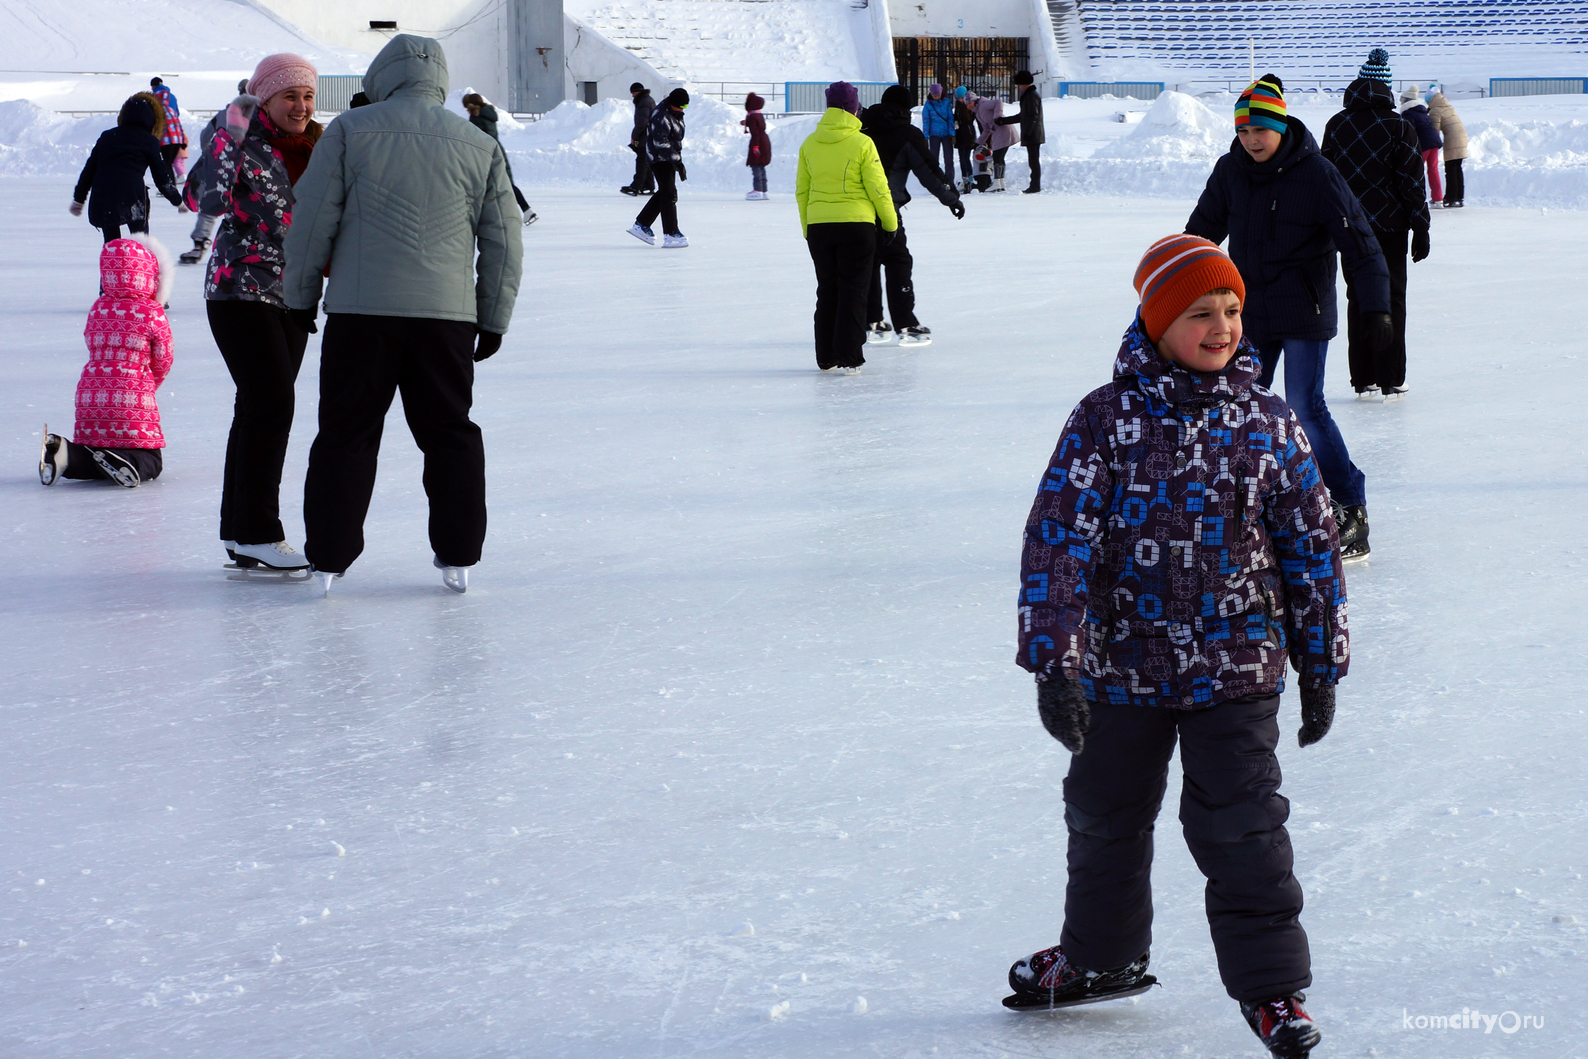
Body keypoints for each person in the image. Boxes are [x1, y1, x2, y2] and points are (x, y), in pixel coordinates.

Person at [1007, 234, 1346, 1059]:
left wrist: (1321, 660)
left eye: (1231, 309)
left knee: (1243, 827)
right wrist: (1059, 660)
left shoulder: (1267, 419)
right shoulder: (1104, 419)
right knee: (1103, 817)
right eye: (1201, 312)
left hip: (1237, 671)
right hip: (1124, 667)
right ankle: (1100, 957)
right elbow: (1059, 542)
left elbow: (1310, 543)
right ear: (1157, 323)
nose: (1224, 325)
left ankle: (1274, 992)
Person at [284, 34, 523, 595]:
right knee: (449, 434)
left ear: (381, 75)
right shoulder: (477, 142)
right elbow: (505, 239)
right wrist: (492, 316)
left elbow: (314, 219)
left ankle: (329, 558)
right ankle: (459, 554)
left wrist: (299, 298)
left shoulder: (348, 130)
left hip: (360, 316)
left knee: (346, 434)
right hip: (445, 318)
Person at [1185, 74, 1390, 561]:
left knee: (1303, 406)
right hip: (1250, 313)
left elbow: (1359, 241)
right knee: (1236, 406)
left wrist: (1377, 307)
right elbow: (1199, 237)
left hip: (1303, 310)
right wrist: (1172, 286)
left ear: (1280, 127)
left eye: (1260, 130)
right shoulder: (1231, 170)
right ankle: (1242, 506)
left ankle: (1350, 508)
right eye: (1242, 132)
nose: (1251, 140)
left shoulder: (1316, 173)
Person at [185, 53, 321, 573]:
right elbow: (200, 193)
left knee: (258, 405)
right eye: (289, 95)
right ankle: (260, 531)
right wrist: (226, 130)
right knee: (271, 401)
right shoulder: (241, 140)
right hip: (238, 289)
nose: (301, 106)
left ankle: (240, 532)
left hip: (292, 293)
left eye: (307, 95)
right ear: (264, 98)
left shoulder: (315, 146)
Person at [1322, 72, 1431, 402]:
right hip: (1390, 227)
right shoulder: (1399, 126)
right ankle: (1391, 377)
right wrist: (1421, 227)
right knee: (1392, 297)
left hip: (1348, 227)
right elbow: (1411, 183)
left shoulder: (1336, 125)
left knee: (1357, 297)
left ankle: (1363, 377)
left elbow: (1326, 178)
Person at [38, 237, 173, 489]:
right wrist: (148, 385)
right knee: (151, 459)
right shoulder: (152, 311)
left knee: (94, 451)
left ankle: (68, 455)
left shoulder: (98, 307)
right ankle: (123, 459)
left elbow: (91, 340)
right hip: (132, 396)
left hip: (90, 393)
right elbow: (164, 357)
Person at [794, 81, 898, 373]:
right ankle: (849, 356)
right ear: (854, 108)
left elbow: (802, 191)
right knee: (854, 291)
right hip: (857, 227)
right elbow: (878, 188)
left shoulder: (810, 143)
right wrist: (890, 223)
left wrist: (807, 227)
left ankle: (825, 356)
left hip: (819, 227)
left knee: (827, 290)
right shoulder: (862, 143)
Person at [858, 84, 964, 346]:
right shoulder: (907, 133)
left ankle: (872, 321)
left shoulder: (861, 130)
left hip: (856, 211)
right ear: (906, 108)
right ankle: (905, 323)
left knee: (869, 262)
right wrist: (951, 199)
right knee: (897, 261)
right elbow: (928, 170)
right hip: (886, 210)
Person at [71, 94, 183, 242]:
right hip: (132, 197)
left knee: (112, 243)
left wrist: (78, 199)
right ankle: (139, 261)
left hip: (103, 195)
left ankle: (113, 262)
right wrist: (178, 201)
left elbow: (89, 171)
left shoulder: (107, 137)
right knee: (140, 241)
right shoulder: (149, 141)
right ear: (151, 120)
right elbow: (161, 178)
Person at [179, 78, 249, 265]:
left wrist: (211, 156)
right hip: (250, 169)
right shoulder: (262, 114)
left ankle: (200, 242)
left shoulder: (226, 113)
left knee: (211, 203)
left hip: (223, 166)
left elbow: (205, 136)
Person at [463, 91, 537, 224]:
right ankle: (526, 210)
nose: (467, 111)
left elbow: (475, 140)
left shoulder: (476, 117)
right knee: (506, 183)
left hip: (486, 155)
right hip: (498, 151)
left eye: (468, 108)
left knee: (484, 185)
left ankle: (484, 217)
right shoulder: (489, 114)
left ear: (472, 107)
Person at [628, 88, 690, 248]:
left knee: (665, 192)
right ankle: (671, 233)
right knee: (668, 194)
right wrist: (677, 161)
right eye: (681, 106)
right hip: (658, 158)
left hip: (668, 158)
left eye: (686, 106)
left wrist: (677, 160)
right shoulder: (661, 116)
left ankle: (642, 223)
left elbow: (675, 140)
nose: (683, 110)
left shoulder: (675, 113)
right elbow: (660, 142)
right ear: (673, 103)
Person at [995, 70, 1044, 193]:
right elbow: (1023, 116)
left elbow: (1033, 116)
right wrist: (1004, 121)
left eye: (1019, 85)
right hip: (1033, 133)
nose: (1019, 87)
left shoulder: (1031, 96)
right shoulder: (1029, 95)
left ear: (1024, 83)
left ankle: (1035, 186)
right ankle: (1034, 185)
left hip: (1033, 134)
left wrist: (1027, 132)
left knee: (1033, 160)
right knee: (1033, 160)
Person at [1399, 85, 1444, 204]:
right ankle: (1438, 199)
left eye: (1401, 100)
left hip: (1423, 145)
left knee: (1415, 171)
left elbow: (1409, 132)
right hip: (1434, 142)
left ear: (1406, 101)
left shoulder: (1408, 113)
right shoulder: (1421, 111)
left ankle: (1415, 198)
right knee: (1433, 170)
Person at [1425, 83, 1466, 208]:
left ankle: (1450, 198)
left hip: (1453, 140)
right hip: (1462, 138)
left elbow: (1434, 131)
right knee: (1457, 168)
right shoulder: (1448, 106)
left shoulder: (1435, 111)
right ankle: (1459, 197)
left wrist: (1432, 145)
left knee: (1451, 169)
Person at [973, 90, 1018, 192]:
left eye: (969, 103)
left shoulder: (983, 105)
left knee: (998, 156)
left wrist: (997, 115)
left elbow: (998, 102)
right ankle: (1000, 182)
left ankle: (998, 182)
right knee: (999, 157)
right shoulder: (978, 113)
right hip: (999, 133)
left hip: (1003, 130)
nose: (968, 106)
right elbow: (986, 130)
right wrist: (978, 142)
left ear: (974, 101)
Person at [620, 82, 656, 196]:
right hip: (649, 135)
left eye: (633, 93)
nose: (632, 96)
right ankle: (648, 186)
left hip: (646, 136)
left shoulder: (643, 102)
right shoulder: (648, 100)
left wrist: (634, 136)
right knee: (646, 161)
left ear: (638, 92)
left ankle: (637, 186)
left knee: (641, 162)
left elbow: (641, 123)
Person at [149, 77, 189, 177]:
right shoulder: (172, 97)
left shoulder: (153, 100)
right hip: (177, 135)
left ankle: (169, 189)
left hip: (165, 136)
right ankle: (171, 188)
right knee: (168, 163)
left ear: (153, 86)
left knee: (165, 163)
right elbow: (177, 114)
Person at [920, 82, 956, 188]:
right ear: (931, 94)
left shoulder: (946, 102)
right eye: (934, 95)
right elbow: (926, 121)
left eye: (938, 95)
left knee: (948, 159)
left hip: (946, 134)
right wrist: (925, 136)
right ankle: (935, 180)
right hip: (934, 134)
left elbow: (950, 118)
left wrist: (952, 133)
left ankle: (950, 181)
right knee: (933, 159)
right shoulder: (928, 105)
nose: (936, 97)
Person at [741, 92, 771, 199]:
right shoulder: (758, 114)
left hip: (758, 142)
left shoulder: (752, 116)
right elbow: (759, 126)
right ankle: (764, 190)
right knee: (761, 166)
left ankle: (757, 190)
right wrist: (746, 122)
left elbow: (755, 132)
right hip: (764, 141)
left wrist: (755, 146)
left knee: (756, 165)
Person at [953, 87, 978, 194]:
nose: (960, 100)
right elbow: (957, 117)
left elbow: (972, 119)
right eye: (958, 98)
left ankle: (970, 179)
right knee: (961, 158)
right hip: (960, 133)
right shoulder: (958, 106)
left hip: (968, 133)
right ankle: (964, 179)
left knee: (965, 157)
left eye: (962, 98)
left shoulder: (969, 106)